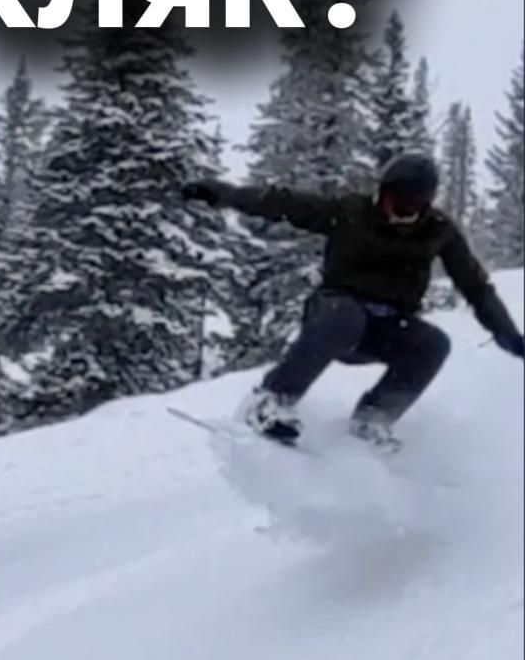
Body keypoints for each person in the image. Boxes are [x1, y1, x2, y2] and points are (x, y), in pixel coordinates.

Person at [182, 151, 525, 447]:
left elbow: (477, 288)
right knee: (346, 316)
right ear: (382, 193)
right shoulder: (351, 212)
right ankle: (271, 400)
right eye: (392, 201)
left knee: (433, 344)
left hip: (386, 328)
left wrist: (507, 333)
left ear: (423, 203)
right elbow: (284, 203)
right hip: (333, 314)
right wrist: (226, 194)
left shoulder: (438, 231)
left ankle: (372, 420)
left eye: (408, 206)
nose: (396, 212)